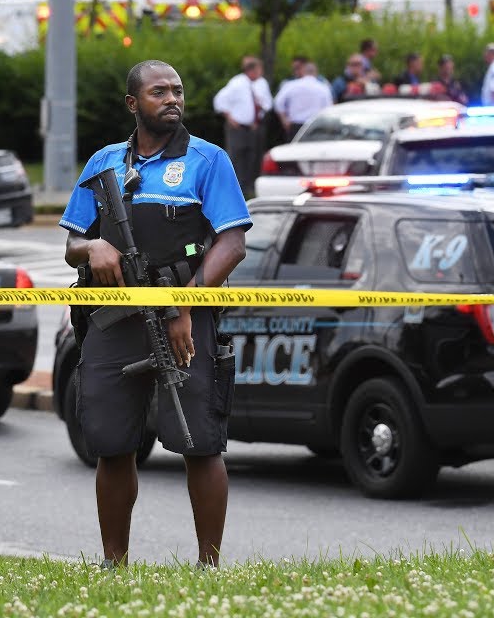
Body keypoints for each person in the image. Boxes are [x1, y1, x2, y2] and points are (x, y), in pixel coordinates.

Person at [60, 59, 251, 569]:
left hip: (184, 312)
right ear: (133, 103)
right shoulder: (103, 163)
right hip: (115, 319)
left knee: (200, 442)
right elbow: (73, 242)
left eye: (178, 91)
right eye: (159, 92)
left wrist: (184, 302)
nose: (172, 99)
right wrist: (93, 247)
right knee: (111, 443)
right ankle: (113, 566)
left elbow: (231, 243)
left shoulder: (207, 160)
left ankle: (209, 568)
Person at [213, 56, 273, 195]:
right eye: (259, 70)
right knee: (237, 157)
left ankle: (250, 187)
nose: (261, 73)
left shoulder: (260, 83)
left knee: (253, 158)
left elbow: (268, 103)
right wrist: (230, 118)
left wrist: (259, 113)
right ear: (252, 71)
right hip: (238, 128)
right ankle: (234, 188)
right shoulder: (237, 83)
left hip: (254, 127)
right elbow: (220, 100)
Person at [273, 61, 332, 140]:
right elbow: (328, 108)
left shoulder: (290, 85)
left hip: (295, 125)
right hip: (316, 126)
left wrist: (284, 119)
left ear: (302, 71)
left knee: (294, 150)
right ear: (316, 72)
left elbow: (278, 102)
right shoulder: (323, 87)